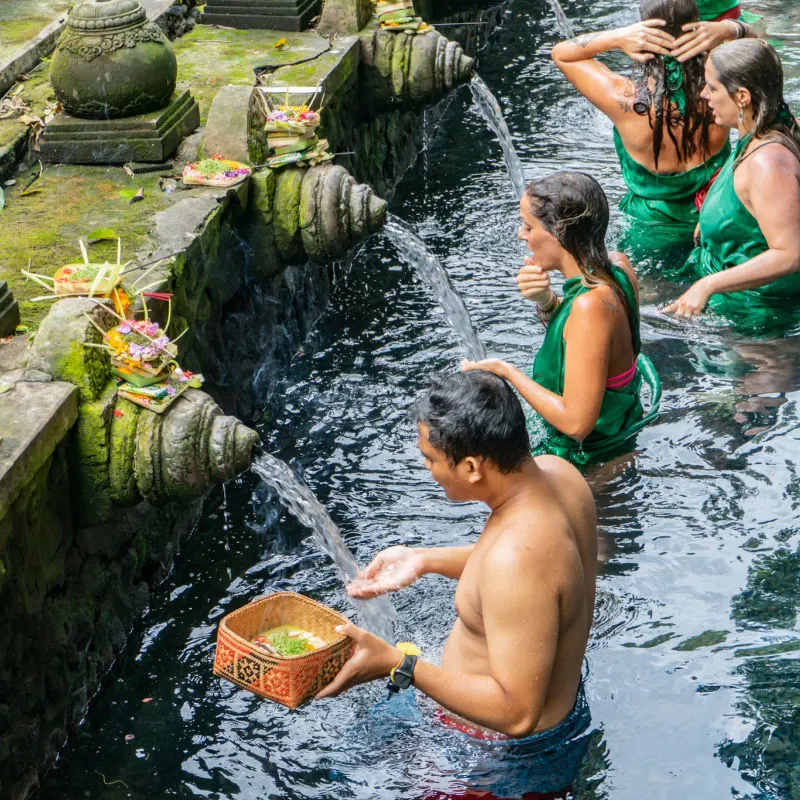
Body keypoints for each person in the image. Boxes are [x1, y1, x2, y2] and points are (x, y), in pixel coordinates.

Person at [316, 370, 598, 798]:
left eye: (430, 459)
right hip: (547, 730)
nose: (428, 470)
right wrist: (424, 559)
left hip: (500, 763)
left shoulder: (516, 560)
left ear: (470, 466)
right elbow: (541, 573)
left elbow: (517, 713)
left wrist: (399, 664)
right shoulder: (560, 479)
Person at [462, 172, 660, 466]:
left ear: (559, 231)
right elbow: (588, 341)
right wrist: (546, 301)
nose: (521, 235)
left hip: (593, 459)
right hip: (623, 427)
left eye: (529, 227)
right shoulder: (618, 266)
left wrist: (506, 373)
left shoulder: (589, 307)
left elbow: (577, 425)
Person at [550, 0, 736, 231]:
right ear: (699, 26)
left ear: (640, 33)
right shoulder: (722, 92)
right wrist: (731, 29)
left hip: (647, 227)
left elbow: (561, 54)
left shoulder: (623, 98)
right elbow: (760, 54)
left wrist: (617, 37)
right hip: (717, 217)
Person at [664, 40, 800, 326]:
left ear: (742, 97)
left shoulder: (768, 163)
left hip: (757, 320)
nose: (703, 95)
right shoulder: (767, 126)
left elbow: (789, 254)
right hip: (731, 291)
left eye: (712, 88)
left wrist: (709, 285)